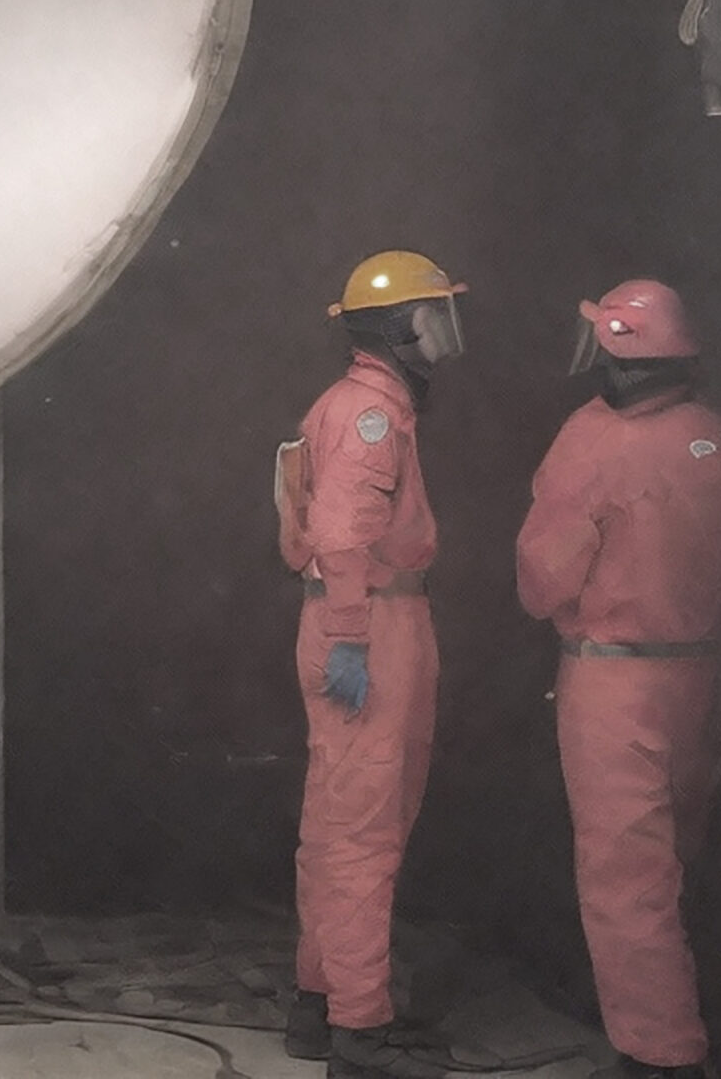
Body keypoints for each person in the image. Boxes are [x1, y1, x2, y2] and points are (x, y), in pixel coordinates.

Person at [517, 280, 721, 1079]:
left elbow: (542, 583)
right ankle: (682, 1012)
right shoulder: (716, 436)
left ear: (615, 353)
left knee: (627, 879)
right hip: (704, 679)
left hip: (615, 687)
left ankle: (662, 1054)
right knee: (682, 860)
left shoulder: (591, 440)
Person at [274, 251, 465, 1078]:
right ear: (406, 326)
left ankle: (320, 1005)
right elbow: (343, 532)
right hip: (373, 624)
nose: (448, 329)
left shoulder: (361, 404)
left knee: (338, 825)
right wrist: (352, 636)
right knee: (365, 834)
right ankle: (360, 1033)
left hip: (363, 618)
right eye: (438, 313)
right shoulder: (370, 417)